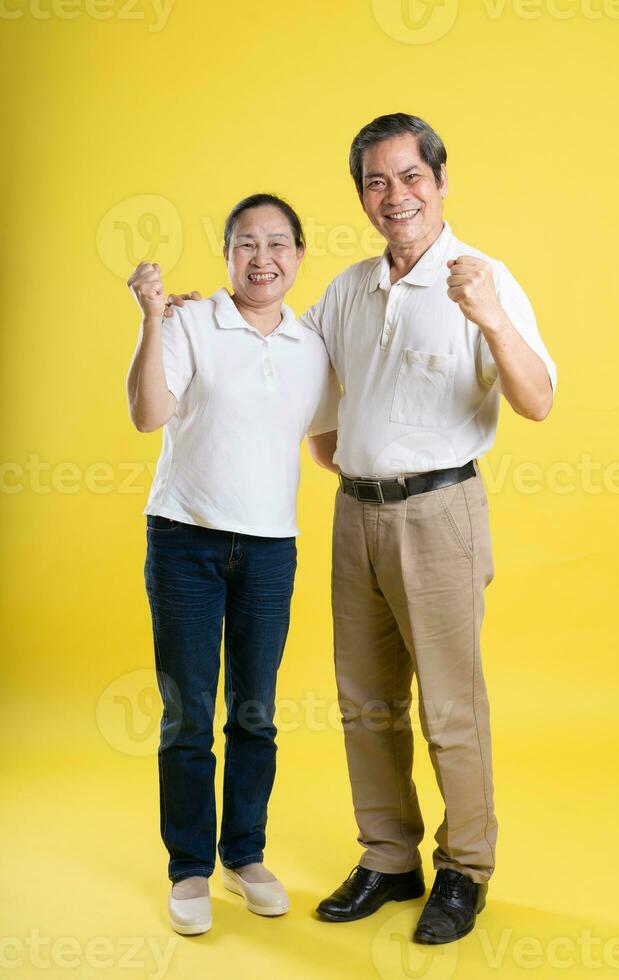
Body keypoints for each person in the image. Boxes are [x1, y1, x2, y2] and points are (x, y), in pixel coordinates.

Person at [166, 112, 558, 947]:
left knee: (450, 705)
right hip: (358, 517)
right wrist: (196, 318)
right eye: (376, 182)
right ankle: (389, 856)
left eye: (410, 176)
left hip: (441, 511)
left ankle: (466, 869)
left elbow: (537, 398)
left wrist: (490, 315)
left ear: (441, 182)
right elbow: (290, 371)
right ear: (362, 196)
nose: (395, 195)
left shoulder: (481, 277)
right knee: (365, 704)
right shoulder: (347, 287)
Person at [125, 193, 340, 936]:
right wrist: (153, 316)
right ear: (226, 256)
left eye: (278, 243)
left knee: (255, 713)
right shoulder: (190, 321)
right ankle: (188, 866)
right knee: (189, 714)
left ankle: (243, 854)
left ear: (300, 256)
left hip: (271, 548)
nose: (263, 258)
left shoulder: (311, 346)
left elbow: (325, 442)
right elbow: (149, 413)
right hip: (185, 540)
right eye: (246, 243)